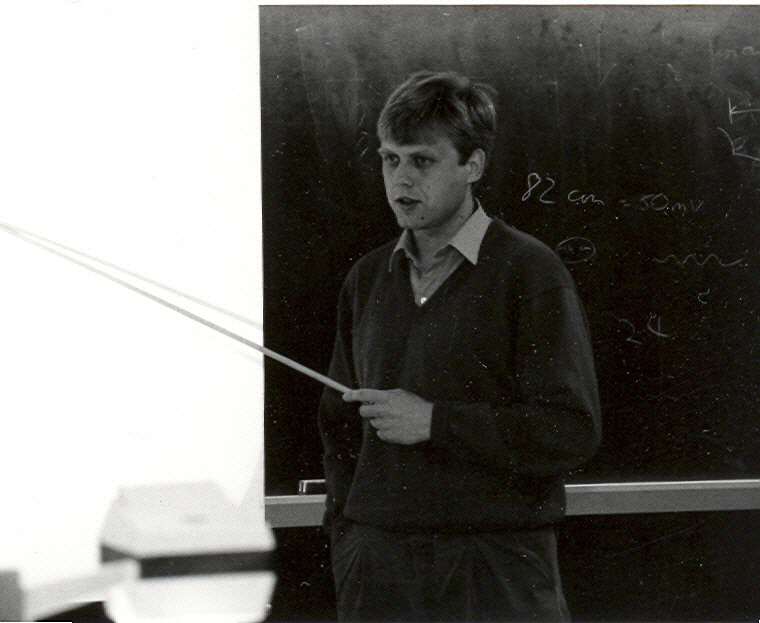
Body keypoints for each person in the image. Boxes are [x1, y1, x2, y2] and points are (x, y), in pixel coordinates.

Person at [318, 70, 602, 622]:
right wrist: (348, 538)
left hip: (494, 565)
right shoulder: (369, 277)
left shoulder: (529, 271)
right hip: (379, 569)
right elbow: (338, 424)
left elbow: (571, 428)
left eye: (422, 161)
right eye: (389, 159)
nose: (401, 180)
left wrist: (436, 422)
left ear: (472, 166)